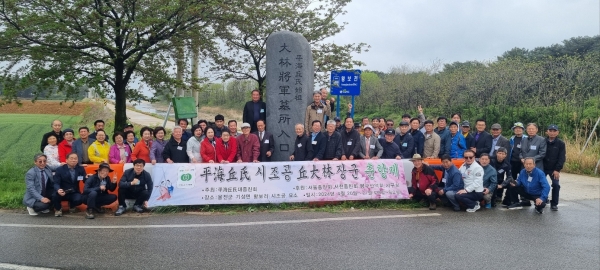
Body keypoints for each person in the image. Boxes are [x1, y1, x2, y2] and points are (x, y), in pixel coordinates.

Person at [52, 153, 86, 217]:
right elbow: (56, 182)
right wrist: (58, 189)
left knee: (80, 199)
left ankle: (72, 206)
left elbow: (84, 180)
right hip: (62, 191)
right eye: (71, 158)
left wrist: (88, 178)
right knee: (54, 195)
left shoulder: (80, 169)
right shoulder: (60, 169)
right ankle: (58, 209)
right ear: (66, 160)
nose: (74, 160)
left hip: (74, 191)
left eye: (75, 159)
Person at [543, 124, 566, 211]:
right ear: (547, 132)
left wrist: (557, 170)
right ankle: (543, 199)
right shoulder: (543, 141)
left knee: (556, 185)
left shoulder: (561, 143)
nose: (552, 133)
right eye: (550, 131)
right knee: (542, 184)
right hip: (543, 168)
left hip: (554, 169)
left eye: (554, 131)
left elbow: (562, 158)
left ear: (557, 132)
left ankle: (554, 204)